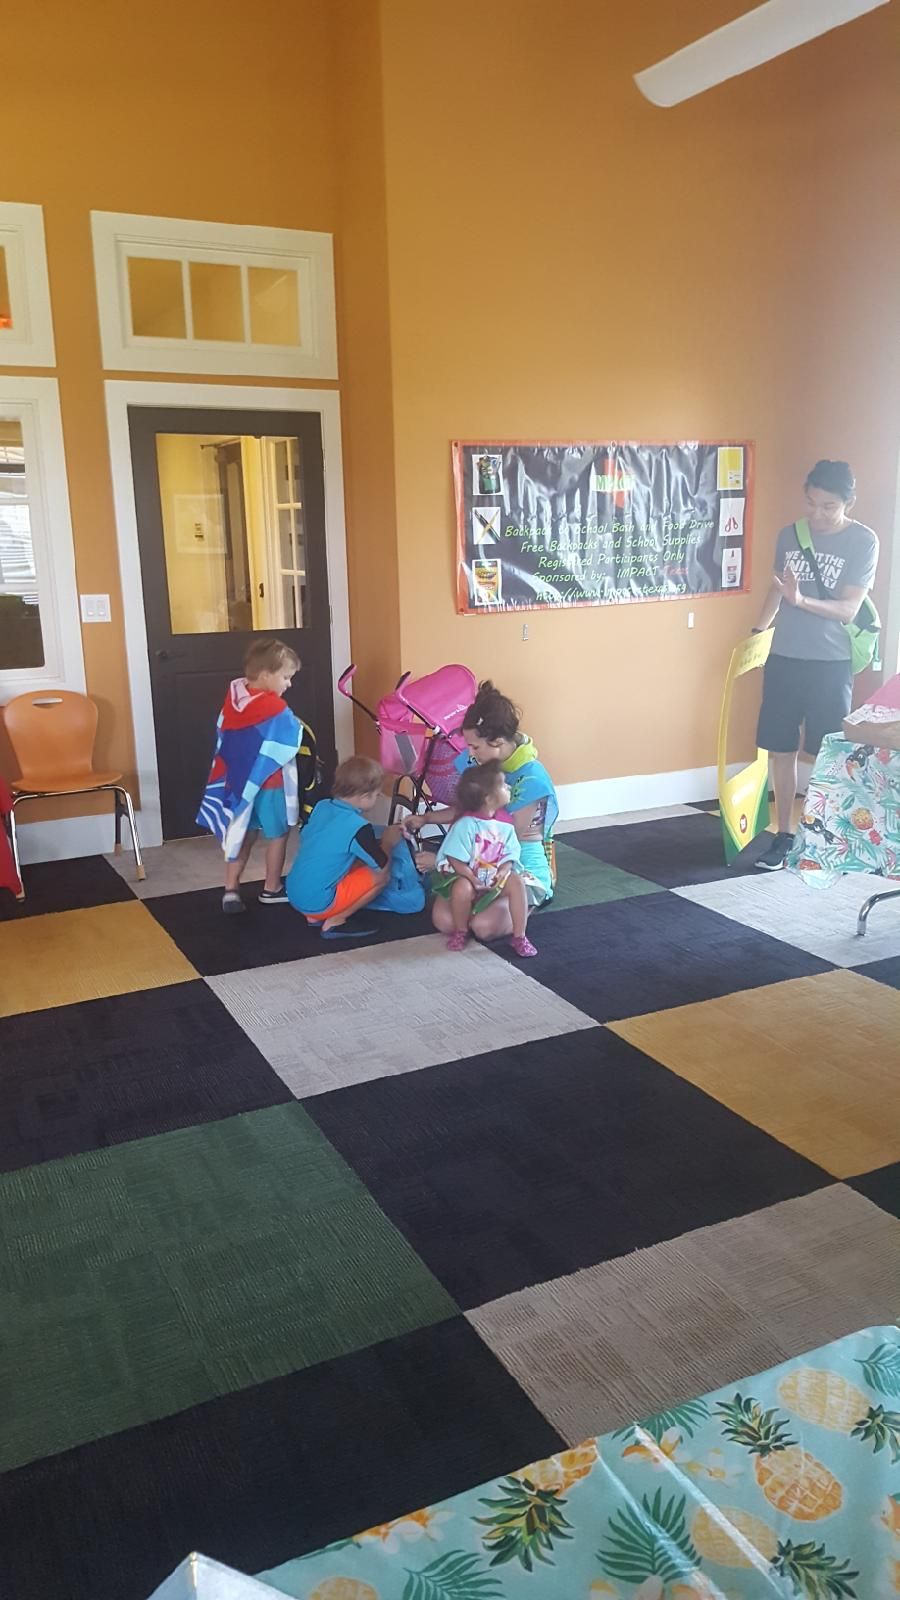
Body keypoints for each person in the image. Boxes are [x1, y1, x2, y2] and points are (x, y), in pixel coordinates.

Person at [753, 460, 879, 870]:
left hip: (830, 662)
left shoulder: (863, 541)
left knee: (827, 751)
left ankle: (823, 832)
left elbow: (847, 608)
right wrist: (758, 632)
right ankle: (784, 834)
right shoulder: (790, 535)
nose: (817, 514)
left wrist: (802, 601)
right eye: (811, 503)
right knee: (780, 747)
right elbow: (778, 590)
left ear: (848, 503)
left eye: (828, 506)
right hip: (785, 656)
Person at [407, 681, 557, 938]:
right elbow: (467, 810)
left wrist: (445, 863)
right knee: (445, 920)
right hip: (474, 862)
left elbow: (502, 842)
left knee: (483, 927)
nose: (469, 754)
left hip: (514, 865)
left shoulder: (531, 779)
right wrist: (426, 818)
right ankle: (484, 903)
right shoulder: (478, 761)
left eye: (475, 747)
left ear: (497, 742)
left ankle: (526, 902)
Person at [197, 639, 315, 914]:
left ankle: (230, 889)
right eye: (285, 677)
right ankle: (271, 887)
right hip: (270, 783)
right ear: (266, 676)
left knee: (242, 833)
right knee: (278, 834)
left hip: (238, 783)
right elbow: (289, 742)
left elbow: (223, 736)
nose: (289, 684)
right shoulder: (276, 710)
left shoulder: (231, 702)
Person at [286, 755, 404, 938]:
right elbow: (381, 867)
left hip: (293, 892)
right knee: (382, 877)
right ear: (365, 797)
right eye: (377, 795)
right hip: (318, 902)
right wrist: (388, 841)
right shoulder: (358, 827)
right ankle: (335, 921)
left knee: (351, 863)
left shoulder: (321, 806)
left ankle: (314, 917)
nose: (377, 798)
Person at [432, 761, 537, 956]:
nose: (508, 788)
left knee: (516, 882)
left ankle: (520, 936)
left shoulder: (505, 826)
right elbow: (455, 860)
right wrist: (472, 879)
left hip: (494, 879)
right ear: (489, 798)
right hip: (469, 878)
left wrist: (504, 871)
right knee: (461, 887)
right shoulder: (465, 825)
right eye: (504, 785)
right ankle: (461, 931)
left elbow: (510, 855)